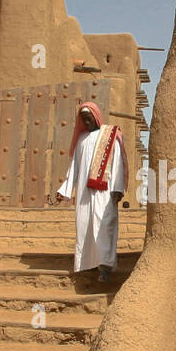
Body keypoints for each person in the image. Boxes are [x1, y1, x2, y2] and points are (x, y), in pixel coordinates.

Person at [48, 102, 125, 282]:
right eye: (84, 119)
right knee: (84, 227)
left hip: (104, 193)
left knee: (104, 226)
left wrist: (117, 188)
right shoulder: (81, 140)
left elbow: (117, 163)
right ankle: (87, 265)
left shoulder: (110, 135)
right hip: (83, 193)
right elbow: (74, 168)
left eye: (89, 118)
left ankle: (105, 267)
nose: (87, 122)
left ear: (96, 117)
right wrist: (64, 190)